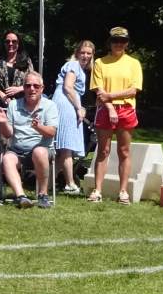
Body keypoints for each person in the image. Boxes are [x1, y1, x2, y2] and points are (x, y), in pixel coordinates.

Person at [88, 26, 143, 205]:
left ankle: (123, 191)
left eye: (122, 41)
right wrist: (110, 107)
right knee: (103, 151)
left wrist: (110, 95)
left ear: (127, 43)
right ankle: (97, 190)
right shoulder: (100, 63)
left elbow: (134, 90)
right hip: (105, 109)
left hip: (126, 109)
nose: (118, 44)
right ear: (109, 42)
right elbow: (98, 89)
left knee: (124, 151)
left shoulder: (134, 63)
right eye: (115, 41)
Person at [0, 71, 58, 208]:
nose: (32, 89)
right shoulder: (13, 105)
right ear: (23, 88)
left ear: (42, 88)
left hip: (42, 151)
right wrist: (3, 122)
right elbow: (8, 134)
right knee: (7, 158)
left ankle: (43, 195)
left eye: (36, 86)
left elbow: (51, 132)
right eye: (28, 86)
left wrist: (38, 127)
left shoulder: (50, 106)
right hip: (17, 151)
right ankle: (21, 197)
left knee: (39, 152)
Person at [52, 40, 92, 195]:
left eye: (88, 53)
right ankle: (70, 183)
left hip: (67, 103)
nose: (85, 56)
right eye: (83, 52)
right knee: (66, 146)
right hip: (66, 104)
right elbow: (68, 87)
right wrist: (79, 107)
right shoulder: (73, 65)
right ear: (77, 53)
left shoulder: (79, 69)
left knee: (62, 149)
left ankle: (47, 182)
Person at [0, 30, 34, 119]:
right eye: (7, 41)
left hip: (22, 105)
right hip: (1, 106)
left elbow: (33, 82)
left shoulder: (26, 61)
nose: (10, 44)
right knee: (0, 127)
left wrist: (18, 89)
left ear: (19, 43)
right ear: (4, 44)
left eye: (14, 41)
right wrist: (2, 95)